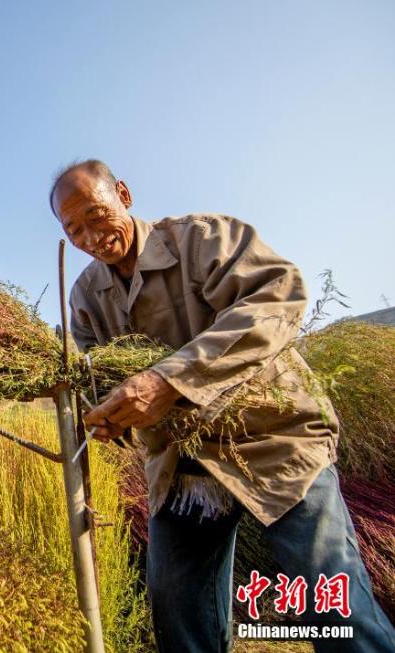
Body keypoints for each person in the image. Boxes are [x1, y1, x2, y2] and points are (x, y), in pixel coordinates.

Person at [49, 159, 395, 653]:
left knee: (332, 601)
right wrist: (110, 418)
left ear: (123, 193)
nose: (89, 234)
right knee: (177, 606)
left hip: (274, 438)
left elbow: (278, 298)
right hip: (183, 463)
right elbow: (98, 376)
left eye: (96, 213)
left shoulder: (202, 239)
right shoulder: (86, 295)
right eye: (73, 228)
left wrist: (168, 380)